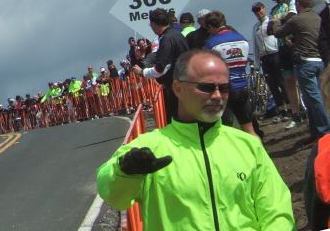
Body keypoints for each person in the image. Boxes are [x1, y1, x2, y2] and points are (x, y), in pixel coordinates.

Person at [96, 49, 291, 230]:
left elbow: (277, 211)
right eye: (206, 88)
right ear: (178, 89)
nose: (217, 96)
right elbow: (111, 194)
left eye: (224, 88)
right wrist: (125, 171)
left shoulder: (248, 145)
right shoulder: (149, 147)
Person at [275, 0, 328, 137]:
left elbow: (279, 33)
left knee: (313, 98)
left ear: (298, 4)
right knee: (317, 97)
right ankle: (315, 131)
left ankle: (325, 131)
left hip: (305, 63)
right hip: (319, 60)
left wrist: (277, 22)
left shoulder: (297, 20)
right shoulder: (318, 18)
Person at [200, 10, 258, 135]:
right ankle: (259, 154)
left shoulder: (212, 43)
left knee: (224, 132)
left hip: (225, 90)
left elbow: (207, 68)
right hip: (243, 86)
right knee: (249, 129)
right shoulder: (242, 39)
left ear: (210, 26)